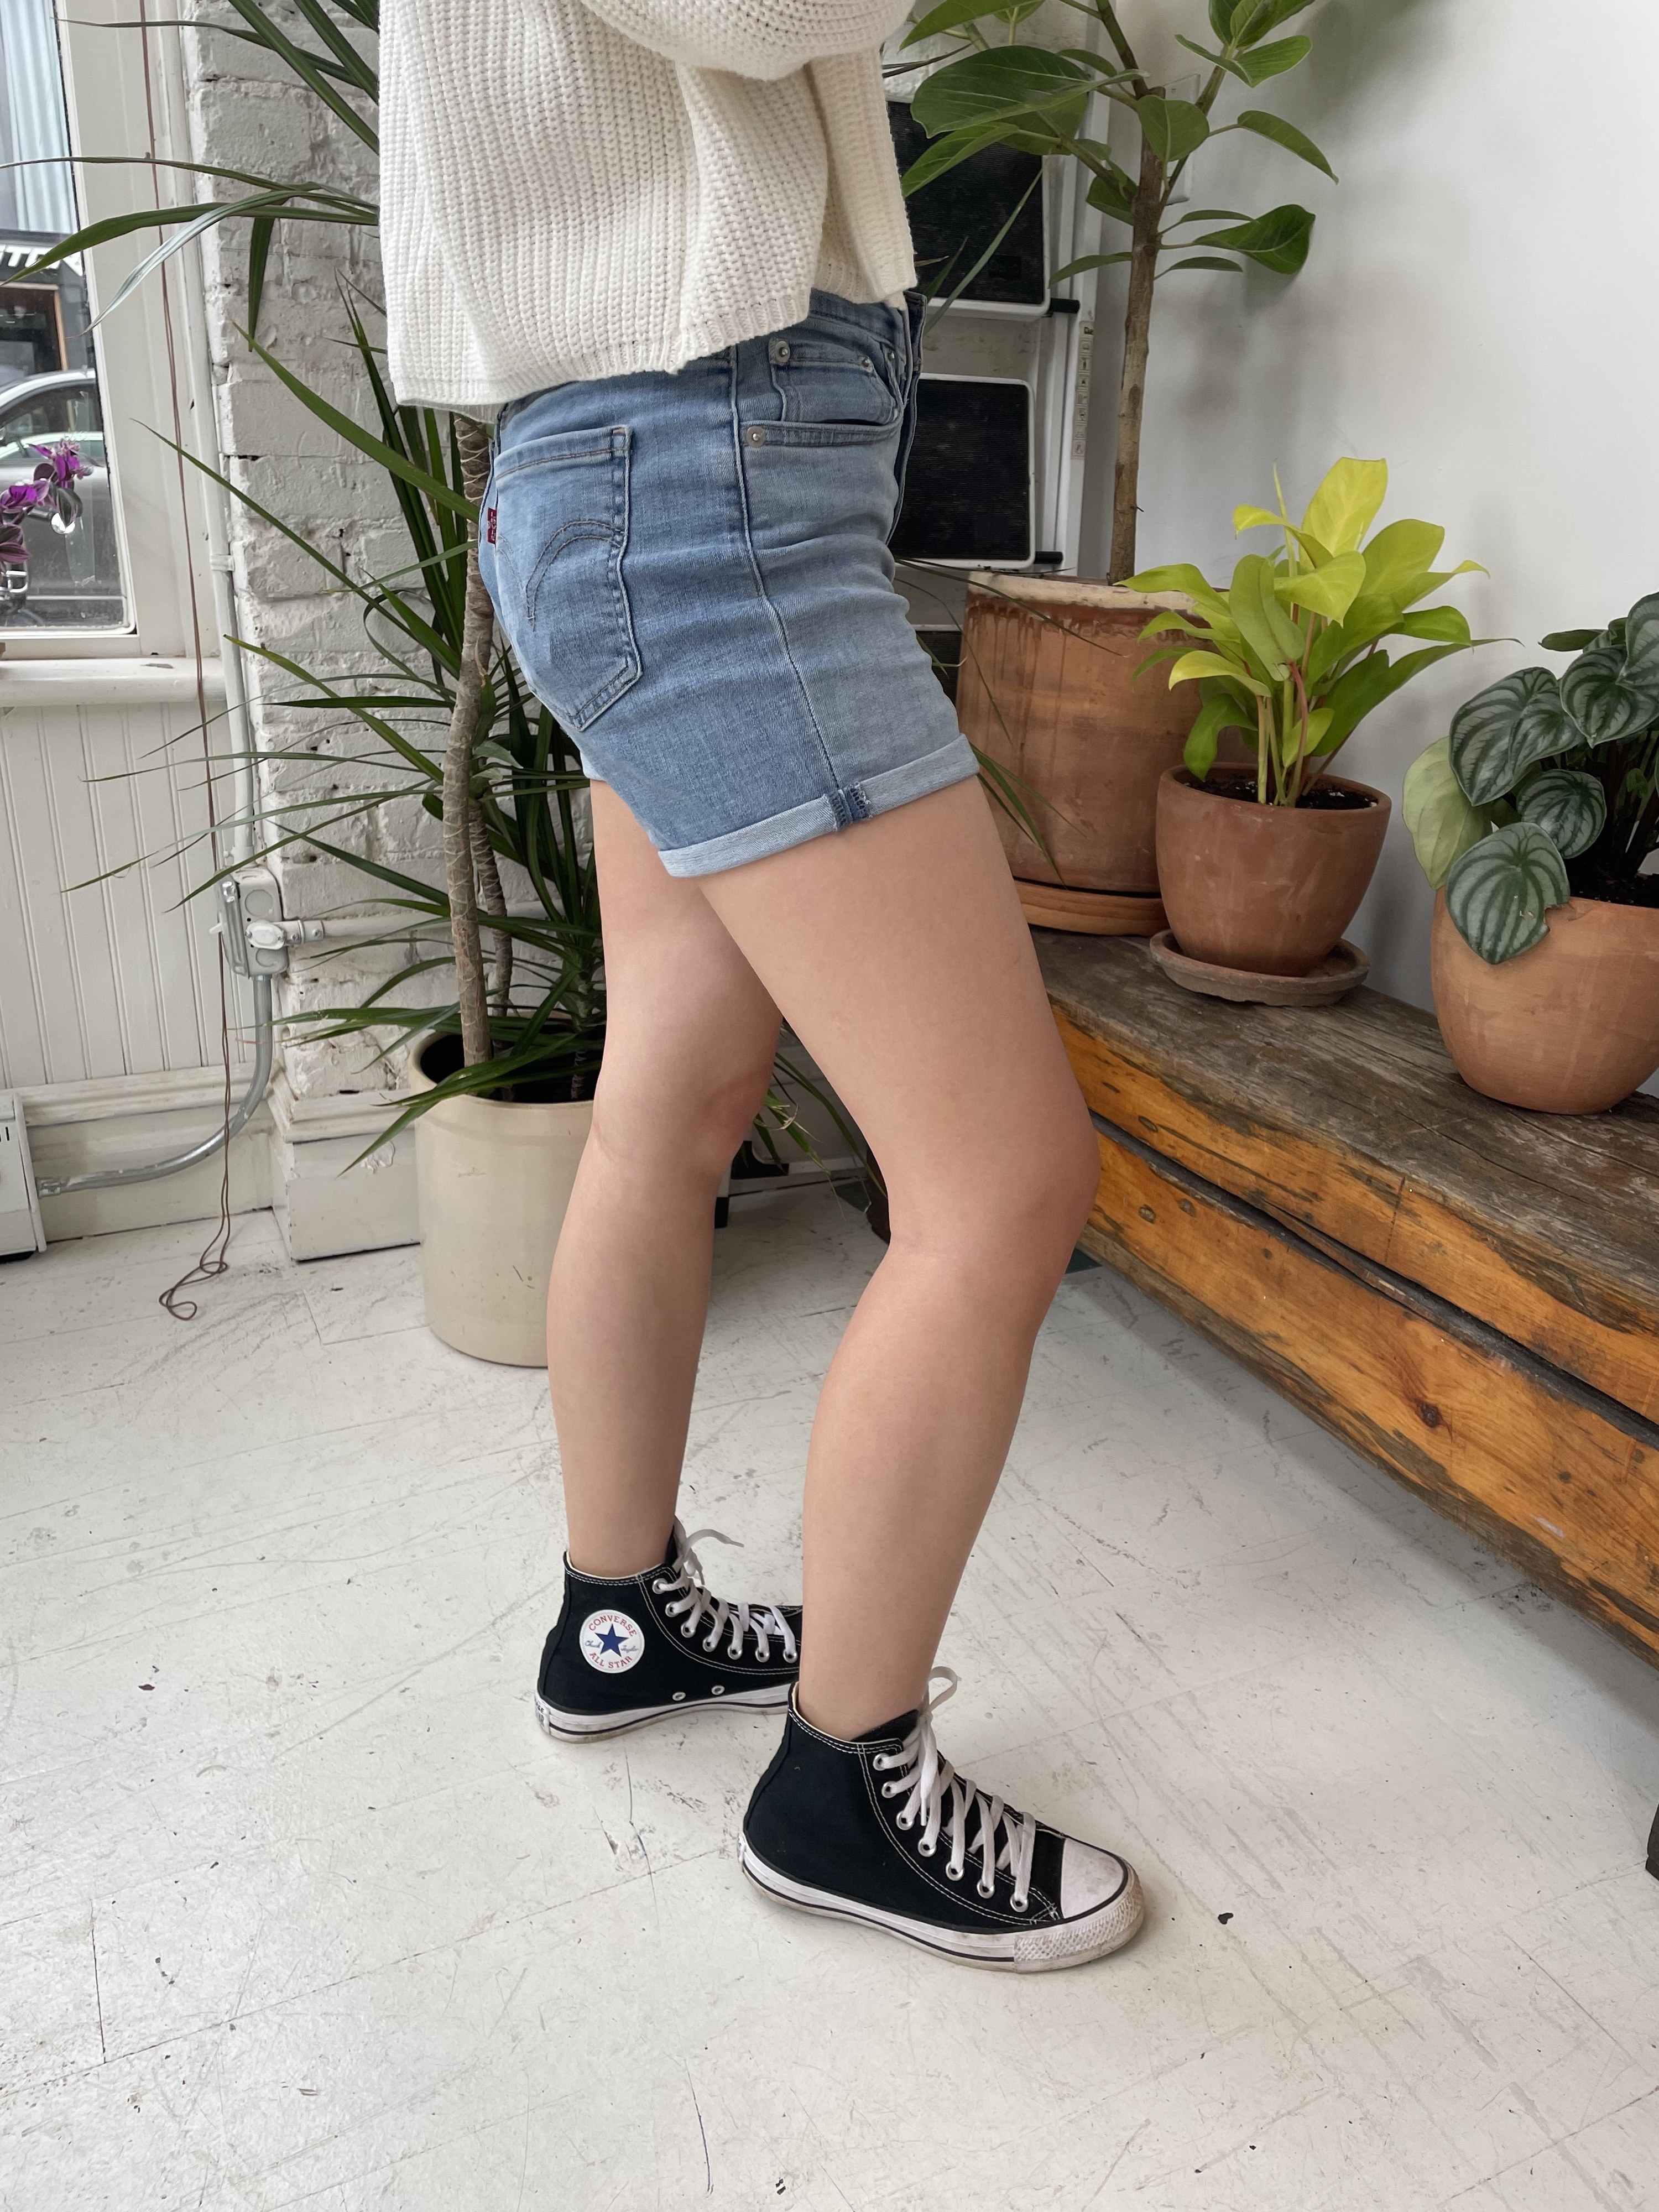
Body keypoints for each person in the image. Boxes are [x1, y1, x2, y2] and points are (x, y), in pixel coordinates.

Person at [380, 0, 1144, 1970]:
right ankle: (843, 1782)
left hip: (642, 462)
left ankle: (618, 1622)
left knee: (675, 1086)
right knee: (1000, 1186)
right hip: (704, 476)